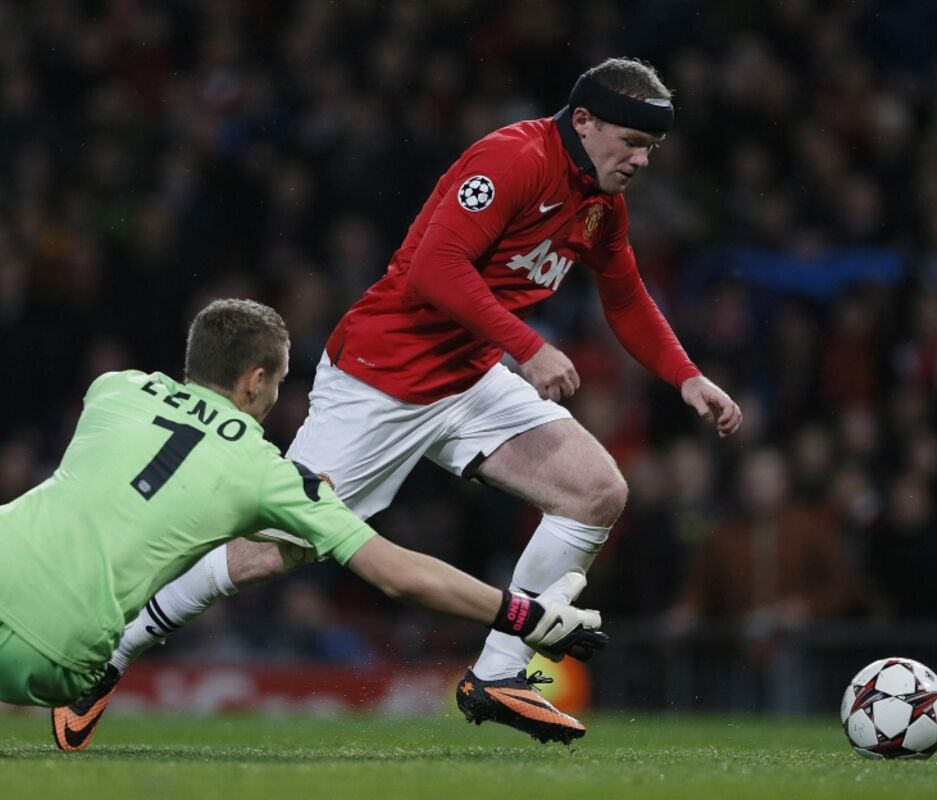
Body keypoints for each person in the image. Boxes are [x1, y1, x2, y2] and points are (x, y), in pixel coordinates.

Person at [50, 56, 743, 749]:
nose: (642, 160)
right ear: (584, 122)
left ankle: (499, 675)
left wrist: (686, 377)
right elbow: (435, 268)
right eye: (633, 142)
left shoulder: (601, 203)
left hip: (468, 377)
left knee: (596, 492)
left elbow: (625, 296)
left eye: (651, 148)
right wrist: (527, 346)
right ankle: (114, 650)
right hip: (381, 380)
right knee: (271, 552)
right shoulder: (513, 160)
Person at [0, 299, 606, 756]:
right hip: (64, 648)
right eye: (279, 384)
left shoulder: (115, 388)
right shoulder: (270, 474)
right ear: (257, 381)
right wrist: (522, 615)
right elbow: (396, 572)